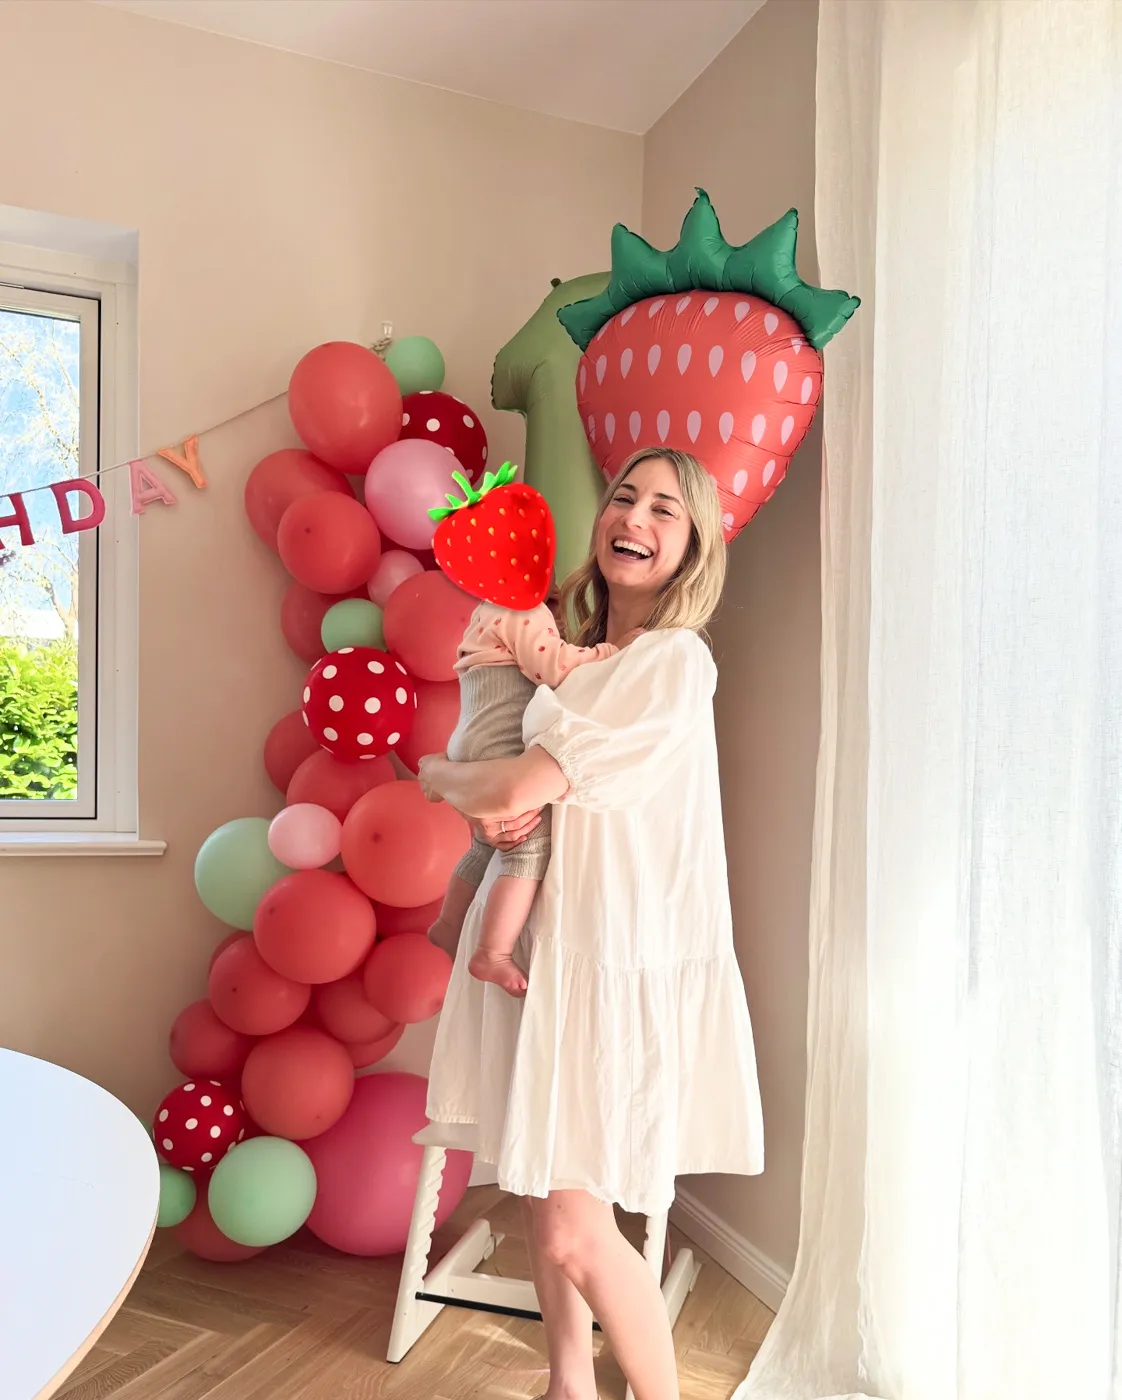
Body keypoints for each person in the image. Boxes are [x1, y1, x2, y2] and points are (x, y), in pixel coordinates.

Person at [417, 447, 764, 1400]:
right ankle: (569, 1381)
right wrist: (474, 793)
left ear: (692, 547)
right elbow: (506, 783)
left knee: (577, 1226)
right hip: (546, 951)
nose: (637, 518)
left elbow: (514, 782)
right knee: (539, 1188)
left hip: (612, 962)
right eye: (625, 496)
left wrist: (437, 778)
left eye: (667, 509)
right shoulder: (566, 657)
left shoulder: (667, 662)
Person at [426, 595, 629, 997]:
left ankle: (447, 925)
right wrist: (613, 653)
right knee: (526, 845)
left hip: (471, 732)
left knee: (486, 844)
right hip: (496, 733)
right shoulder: (521, 610)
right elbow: (556, 667)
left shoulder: (489, 610)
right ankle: (492, 952)